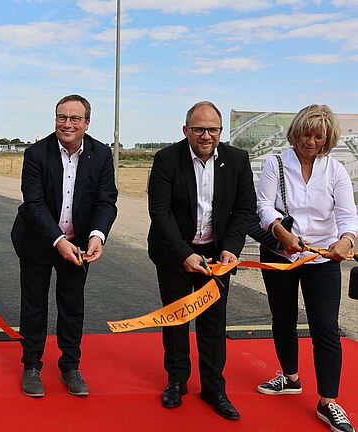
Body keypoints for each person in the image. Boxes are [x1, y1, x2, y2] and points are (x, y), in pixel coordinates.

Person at [147, 101, 256, 420]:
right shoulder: (167, 159)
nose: (206, 135)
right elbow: (160, 212)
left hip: (216, 258)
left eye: (213, 129)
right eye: (198, 129)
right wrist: (184, 254)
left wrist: (231, 248)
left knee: (213, 323)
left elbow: (245, 209)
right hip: (175, 254)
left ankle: (213, 388)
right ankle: (176, 381)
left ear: (221, 131)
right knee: (177, 319)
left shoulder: (237, 160)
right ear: (186, 130)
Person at [255, 104, 357, 432]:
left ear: (327, 139)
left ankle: (328, 401)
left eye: (318, 136)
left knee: (326, 328)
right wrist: (279, 231)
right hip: (280, 254)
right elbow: (263, 206)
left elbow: (347, 214)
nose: (310, 141)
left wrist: (347, 241)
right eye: (305, 133)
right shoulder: (275, 164)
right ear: (295, 131)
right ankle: (290, 377)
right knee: (282, 320)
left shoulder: (336, 171)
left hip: (322, 258)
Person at [11, 94, 117, 398]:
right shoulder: (36, 153)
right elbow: (33, 203)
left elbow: (106, 200)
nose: (66, 124)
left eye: (74, 119)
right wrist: (57, 241)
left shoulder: (100, 154)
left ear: (86, 123)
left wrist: (97, 235)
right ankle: (31, 366)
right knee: (34, 305)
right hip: (37, 240)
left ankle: (70, 366)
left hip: (79, 244)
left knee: (72, 306)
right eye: (61, 117)